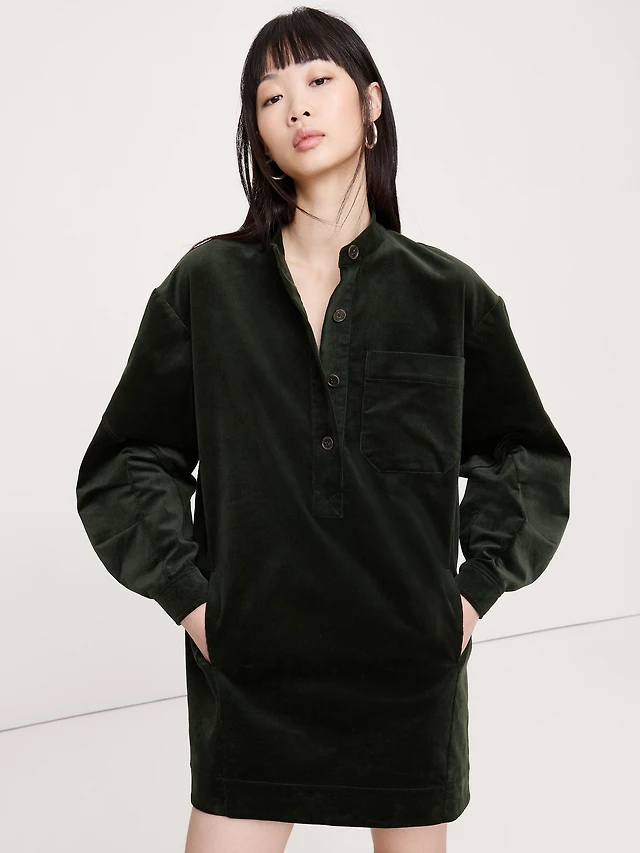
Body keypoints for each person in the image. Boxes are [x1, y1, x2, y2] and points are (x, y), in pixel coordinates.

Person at [75, 7, 571, 853]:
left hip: (406, 680)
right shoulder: (208, 282)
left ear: (371, 104)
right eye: (270, 96)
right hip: (252, 676)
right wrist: (194, 603)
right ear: (258, 133)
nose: (296, 106)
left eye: (318, 80)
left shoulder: (447, 293)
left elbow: (522, 454)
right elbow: (128, 459)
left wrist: (470, 594)